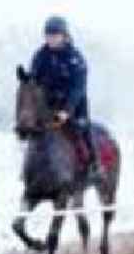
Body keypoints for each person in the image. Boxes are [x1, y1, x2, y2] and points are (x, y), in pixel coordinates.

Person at [29, 15, 104, 180]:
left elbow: (77, 88)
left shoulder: (75, 58)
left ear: (64, 36)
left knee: (82, 129)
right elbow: (34, 81)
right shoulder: (40, 56)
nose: (51, 39)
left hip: (74, 105)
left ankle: (94, 164)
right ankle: (30, 168)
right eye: (48, 35)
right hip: (48, 104)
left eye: (55, 35)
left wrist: (66, 111)